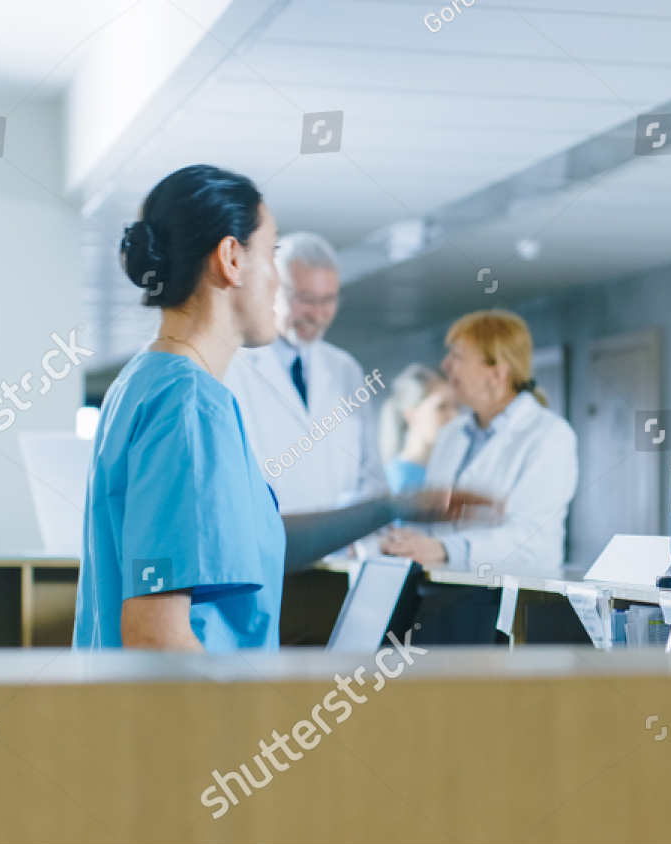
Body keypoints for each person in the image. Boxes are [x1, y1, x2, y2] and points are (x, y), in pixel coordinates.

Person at [74, 165, 486, 651]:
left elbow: (257, 541)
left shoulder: (144, 383)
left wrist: (391, 506)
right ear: (230, 258)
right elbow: (154, 635)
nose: (274, 279)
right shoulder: (190, 404)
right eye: (271, 252)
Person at [382, 311, 577, 643]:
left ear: (496, 372)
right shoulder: (452, 434)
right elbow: (437, 517)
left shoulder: (549, 435)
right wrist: (407, 542)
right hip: (441, 598)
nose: (445, 365)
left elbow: (532, 540)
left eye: (457, 356)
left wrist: (444, 549)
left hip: (505, 607)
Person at [221, 231, 384, 514]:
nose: (318, 314)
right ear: (271, 289)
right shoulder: (232, 366)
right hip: (266, 548)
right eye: (305, 299)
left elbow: (371, 477)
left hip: (338, 549)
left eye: (329, 300)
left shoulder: (345, 370)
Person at [379, 364, 457, 495]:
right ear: (410, 414)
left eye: (456, 406)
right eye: (441, 407)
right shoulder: (395, 482)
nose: (454, 416)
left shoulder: (448, 470)